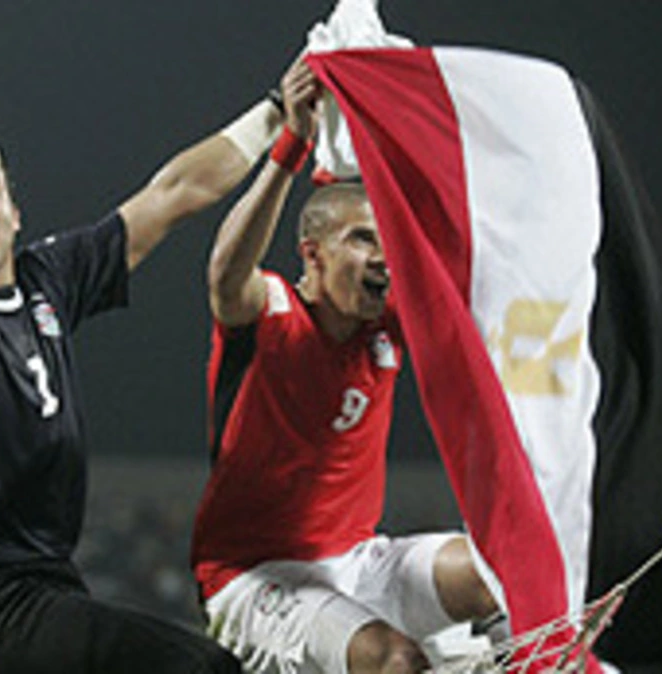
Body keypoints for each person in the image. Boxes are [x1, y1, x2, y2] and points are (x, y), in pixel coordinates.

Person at [0, 55, 301, 673]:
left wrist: (276, 113)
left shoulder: (46, 279)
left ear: (15, 216)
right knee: (201, 667)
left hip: (53, 587)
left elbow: (174, 194)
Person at [191, 60, 501, 674]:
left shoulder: (385, 325)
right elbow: (225, 271)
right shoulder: (271, 313)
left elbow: (460, 248)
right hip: (253, 577)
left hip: (359, 563)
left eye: (387, 242)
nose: (384, 258)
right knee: (396, 662)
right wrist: (291, 146)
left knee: (504, 570)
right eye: (362, 239)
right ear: (313, 253)